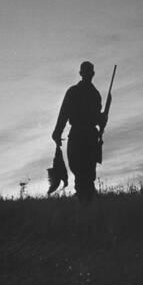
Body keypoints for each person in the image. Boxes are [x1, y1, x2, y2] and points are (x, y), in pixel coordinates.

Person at [52, 61, 107, 203]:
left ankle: (84, 204)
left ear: (81, 73)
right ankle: (86, 203)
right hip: (87, 137)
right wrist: (102, 119)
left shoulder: (76, 92)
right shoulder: (94, 95)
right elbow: (65, 114)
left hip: (80, 136)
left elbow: (64, 114)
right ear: (88, 74)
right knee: (86, 173)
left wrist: (57, 133)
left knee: (83, 173)